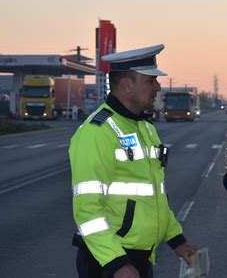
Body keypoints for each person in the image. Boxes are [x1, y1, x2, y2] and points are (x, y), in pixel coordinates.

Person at [69, 44, 196, 278]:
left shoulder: (145, 129)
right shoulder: (96, 132)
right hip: (107, 262)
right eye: (150, 81)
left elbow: (154, 195)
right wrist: (115, 263)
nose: (158, 86)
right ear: (126, 85)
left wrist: (177, 241)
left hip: (138, 258)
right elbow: (87, 211)